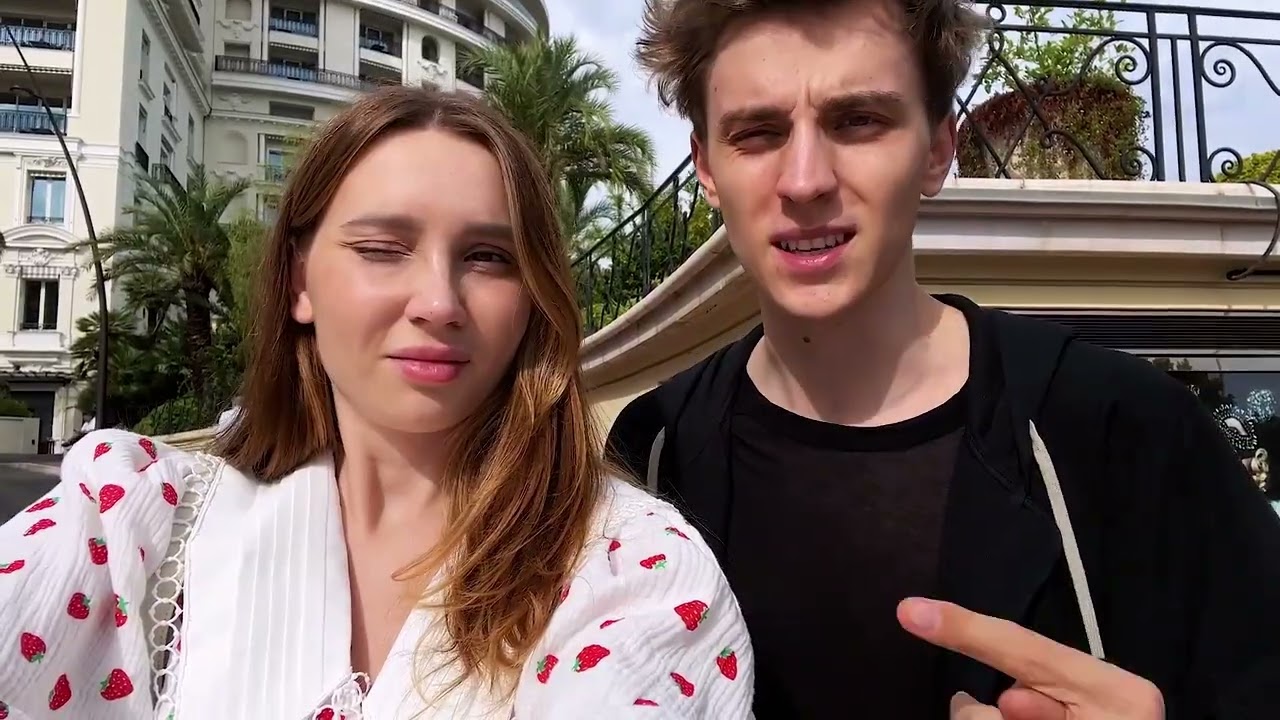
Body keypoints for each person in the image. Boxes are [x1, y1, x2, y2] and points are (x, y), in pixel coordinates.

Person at [609, 0, 1280, 717]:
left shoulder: (1123, 428)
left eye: (858, 120)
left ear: (936, 149)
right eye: (758, 133)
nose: (805, 180)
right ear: (707, 168)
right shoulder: (653, 456)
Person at [0, 87, 754, 718]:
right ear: (299, 282)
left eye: (488, 257)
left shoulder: (637, 571)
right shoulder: (128, 520)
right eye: (382, 249)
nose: (438, 302)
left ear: (533, 297)